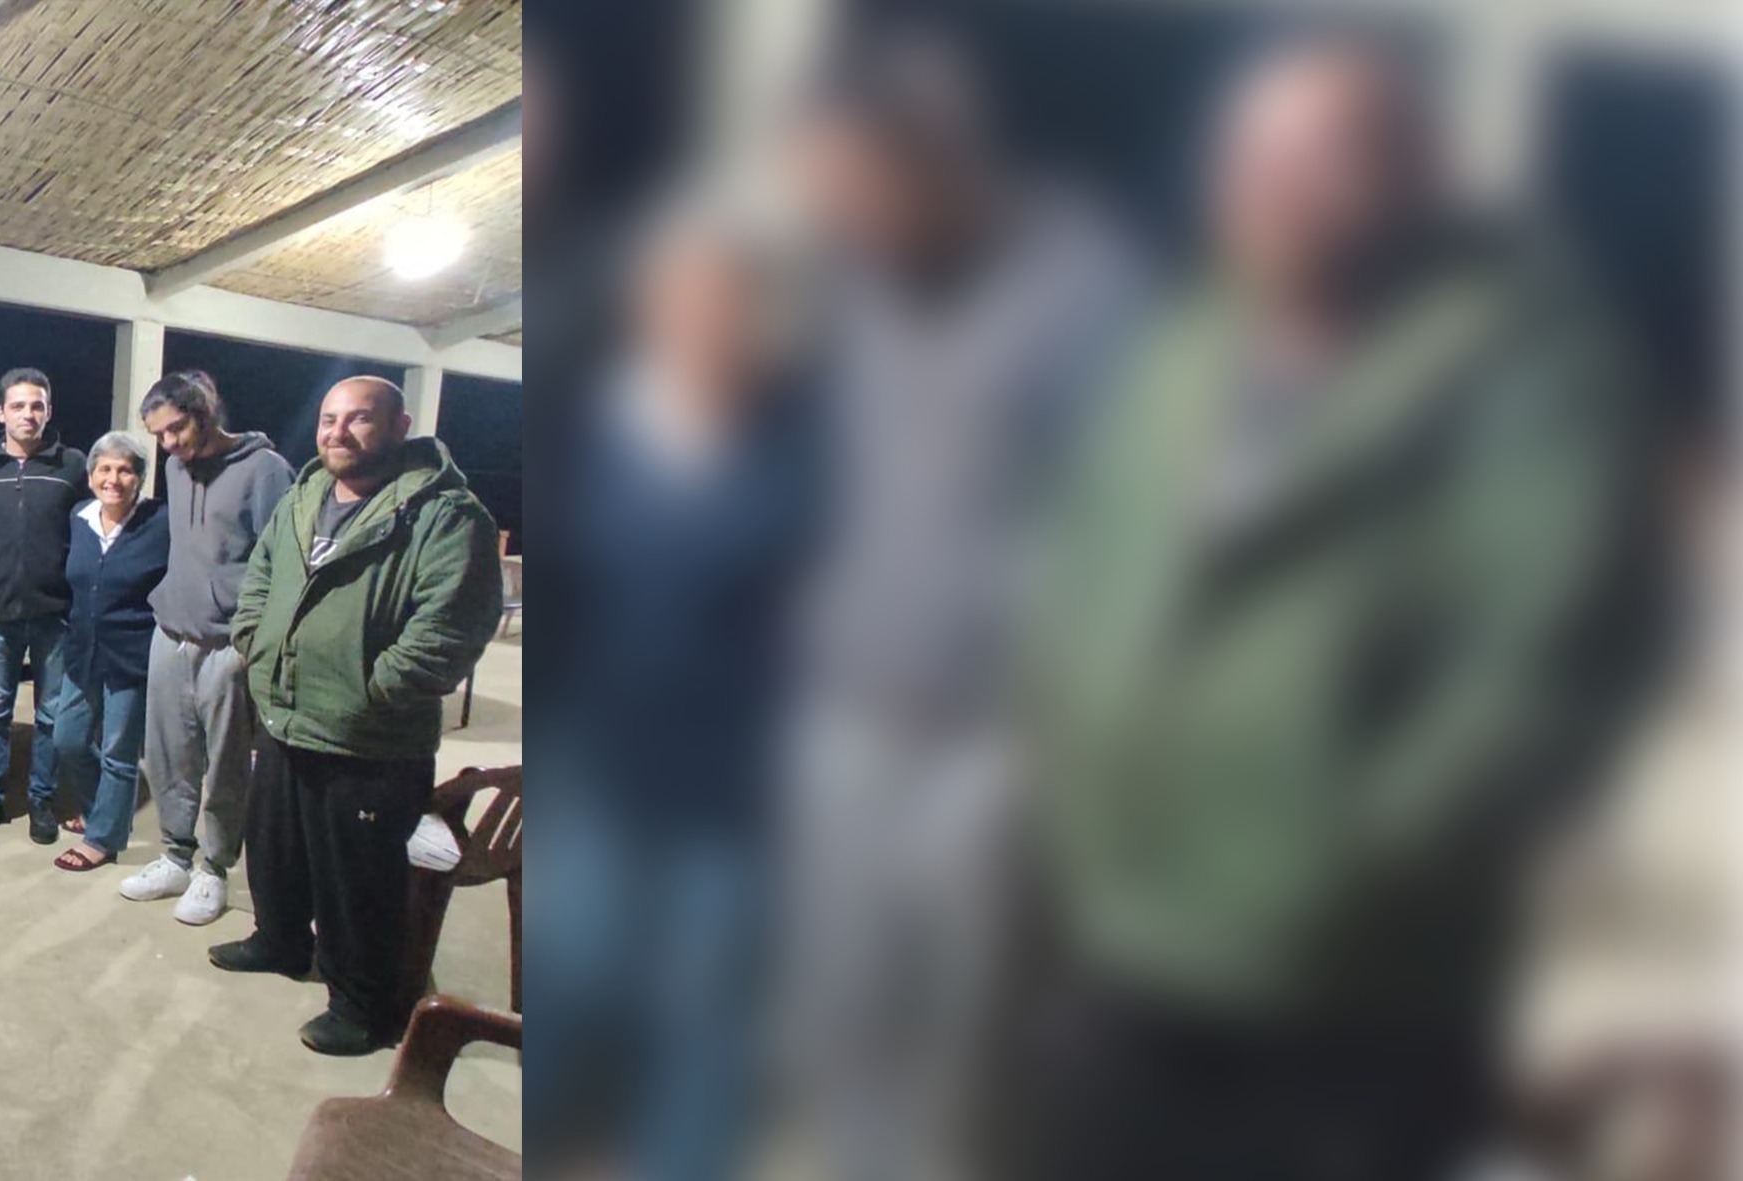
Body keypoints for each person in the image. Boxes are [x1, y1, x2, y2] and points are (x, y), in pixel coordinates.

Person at [1007, 34, 1659, 1180]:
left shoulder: (1528, 368)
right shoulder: (1185, 341)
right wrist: (1065, 752)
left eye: (1317, 156)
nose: (1268, 184)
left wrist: (1356, 855)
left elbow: (1542, 664)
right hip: (1127, 942)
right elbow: (1079, 563)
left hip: (1346, 995)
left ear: (1421, 169)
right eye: (1246, 153)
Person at [767, 25, 1151, 1181]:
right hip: (847, 713)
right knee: (841, 1005)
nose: (840, 220)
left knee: (967, 1035)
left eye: (854, 188)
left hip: (990, 742)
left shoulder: (1084, 286)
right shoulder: (860, 293)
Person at [536, 206, 817, 1181]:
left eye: (719, 299)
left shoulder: (804, 442)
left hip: (728, 786)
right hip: (600, 763)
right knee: (579, 978)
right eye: (674, 299)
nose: (696, 319)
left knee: (701, 1009)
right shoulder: (604, 433)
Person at [207, 376, 500, 1056]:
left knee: (357, 877)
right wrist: (255, 641)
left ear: (399, 426)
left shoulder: (445, 514)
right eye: (328, 418)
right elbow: (260, 578)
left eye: (359, 419)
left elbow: (450, 627)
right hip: (285, 714)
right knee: (276, 846)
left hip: (369, 737)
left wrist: (373, 691)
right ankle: (280, 940)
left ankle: (364, 1004)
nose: (337, 432)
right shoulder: (305, 495)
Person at [126, 370, 293, 923]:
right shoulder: (175, 468)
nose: (169, 443)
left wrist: (252, 640)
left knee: (224, 763)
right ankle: (175, 855)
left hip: (227, 643)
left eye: (176, 428)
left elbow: (283, 564)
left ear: (205, 413)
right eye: (158, 434)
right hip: (171, 631)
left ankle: (214, 868)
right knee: (168, 756)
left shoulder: (266, 470)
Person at [0, 368, 82, 838]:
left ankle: (41, 801)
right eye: (18, 406)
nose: (28, 414)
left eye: (37, 406)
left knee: (50, 714)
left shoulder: (73, 467)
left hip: (55, 614)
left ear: (48, 411)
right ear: (0, 412)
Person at [45, 431, 168, 867]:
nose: (113, 478)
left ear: (139, 478)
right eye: (105, 469)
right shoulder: (80, 517)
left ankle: (102, 839)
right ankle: (104, 811)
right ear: (91, 474)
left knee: (119, 751)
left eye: (125, 470)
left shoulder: (159, 522)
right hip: (82, 651)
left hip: (131, 654)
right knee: (67, 739)